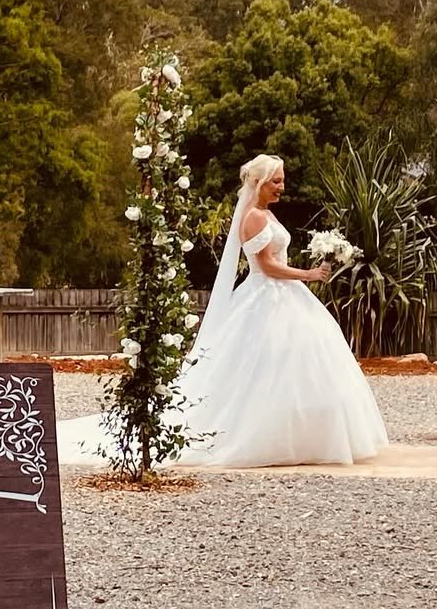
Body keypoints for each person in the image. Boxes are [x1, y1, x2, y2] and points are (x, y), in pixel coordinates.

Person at [58, 153, 389, 469]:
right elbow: (266, 265)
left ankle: (301, 432)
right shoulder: (255, 217)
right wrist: (308, 274)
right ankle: (264, 434)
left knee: (298, 359)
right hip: (266, 295)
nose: (282, 187)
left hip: (285, 295)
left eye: (282, 181)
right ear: (259, 182)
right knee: (264, 363)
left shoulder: (268, 214)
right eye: (276, 181)